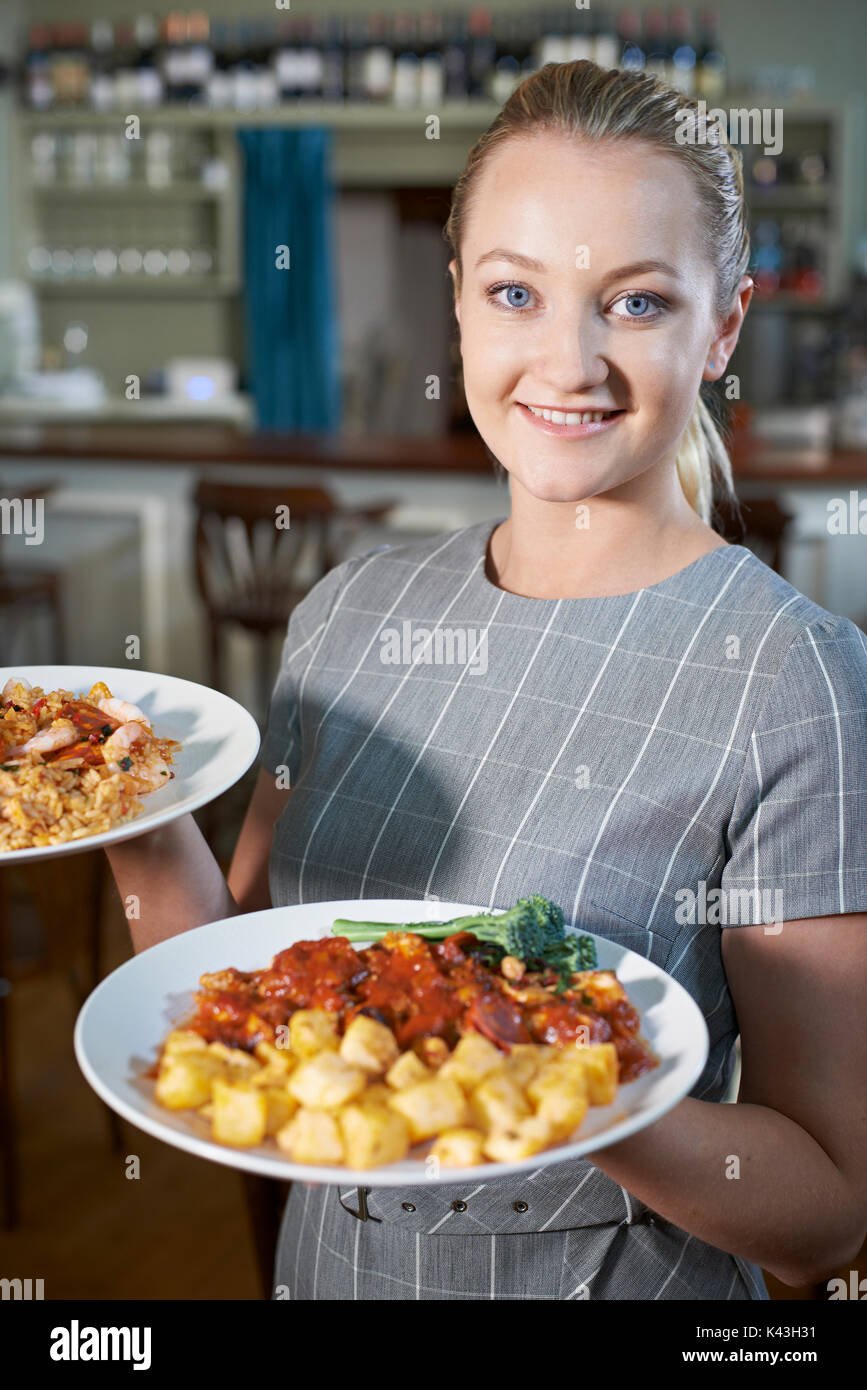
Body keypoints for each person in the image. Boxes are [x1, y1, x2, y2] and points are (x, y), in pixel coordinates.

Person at [106, 60, 867, 1301]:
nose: (566, 364)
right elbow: (222, 986)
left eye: (634, 304)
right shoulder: (350, 609)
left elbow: (826, 1211)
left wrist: (543, 1082)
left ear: (722, 324)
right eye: (517, 291)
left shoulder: (796, 682)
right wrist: (126, 806)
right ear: (459, 301)